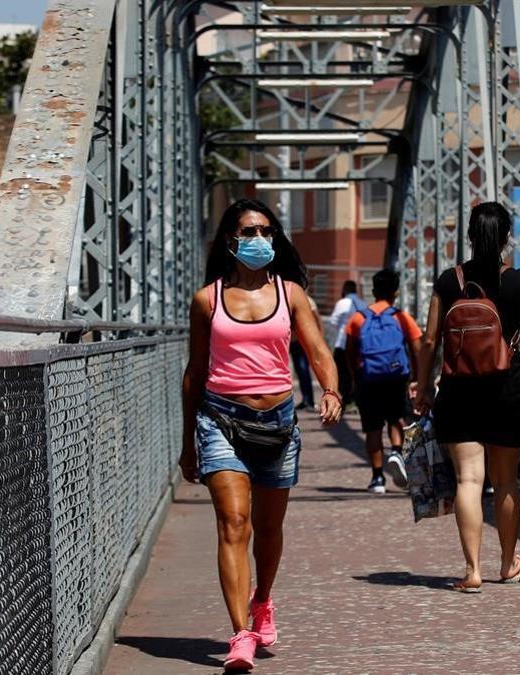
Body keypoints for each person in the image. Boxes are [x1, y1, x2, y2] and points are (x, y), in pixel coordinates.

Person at [180, 198, 343, 671]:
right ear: (230, 240)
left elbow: (317, 349)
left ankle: (263, 599)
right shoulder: (206, 299)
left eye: (267, 232)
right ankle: (241, 635)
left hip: (277, 422)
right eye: (250, 232)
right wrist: (188, 440)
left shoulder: (290, 293)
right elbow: (194, 372)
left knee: (269, 530)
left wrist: (331, 389)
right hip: (221, 420)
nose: (259, 240)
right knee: (234, 524)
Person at [414, 202, 520, 593]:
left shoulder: (449, 281)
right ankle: (508, 562)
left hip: (458, 392)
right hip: (506, 392)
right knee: (507, 482)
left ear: (470, 236)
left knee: (468, 480)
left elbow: (429, 339)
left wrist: (423, 385)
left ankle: (472, 569)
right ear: (507, 237)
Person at [345, 268, 423, 493]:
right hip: (397, 376)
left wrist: (353, 375)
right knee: (396, 417)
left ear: (373, 291)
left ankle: (377, 478)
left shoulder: (358, 318)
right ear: (396, 292)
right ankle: (397, 452)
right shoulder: (401, 317)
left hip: (368, 378)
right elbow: (418, 349)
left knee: (372, 427)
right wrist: (417, 378)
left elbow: (349, 350)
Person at [328, 279, 366, 406]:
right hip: (359, 345)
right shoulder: (363, 304)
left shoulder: (342, 303)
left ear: (344, 290)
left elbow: (333, 322)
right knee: (355, 372)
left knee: (342, 373)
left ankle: (346, 399)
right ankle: (356, 398)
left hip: (343, 343)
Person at [290, 294, 323, 410]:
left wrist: (319, 338)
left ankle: (309, 400)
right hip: (290, 340)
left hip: (302, 340)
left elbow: (317, 318)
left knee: (303, 369)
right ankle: (305, 399)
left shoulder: (307, 300)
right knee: (299, 370)